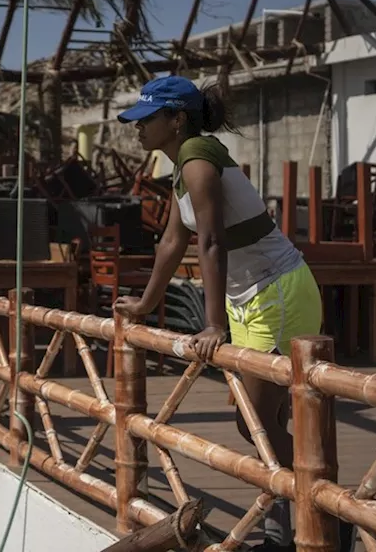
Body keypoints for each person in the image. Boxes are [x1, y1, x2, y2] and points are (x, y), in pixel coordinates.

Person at [110, 75, 324, 551]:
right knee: (260, 425)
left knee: (258, 425)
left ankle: (327, 514)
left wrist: (212, 326)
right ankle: (297, 524)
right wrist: (145, 304)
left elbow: (211, 241)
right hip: (247, 297)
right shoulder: (182, 164)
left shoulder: (198, 160)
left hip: (277, 290)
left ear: (176, 119)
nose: (137, 129)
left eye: (147, 119)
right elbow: (173, 241)